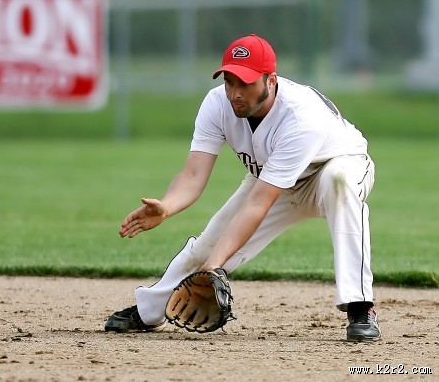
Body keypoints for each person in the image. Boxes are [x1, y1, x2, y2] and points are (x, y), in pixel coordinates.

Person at [104, 34, 380, 342]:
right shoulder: (217, 104)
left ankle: (360, 305)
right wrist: (167, 206)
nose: (235, 92)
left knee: (339, 183)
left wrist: (213, 268)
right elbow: (193, 174)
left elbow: (258, 204)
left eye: (245, 83)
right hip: (271, 179)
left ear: (271, 80)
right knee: (208, 245)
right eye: (229, 81)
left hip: (332, 167)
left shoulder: (300, 118)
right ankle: (150, 311)